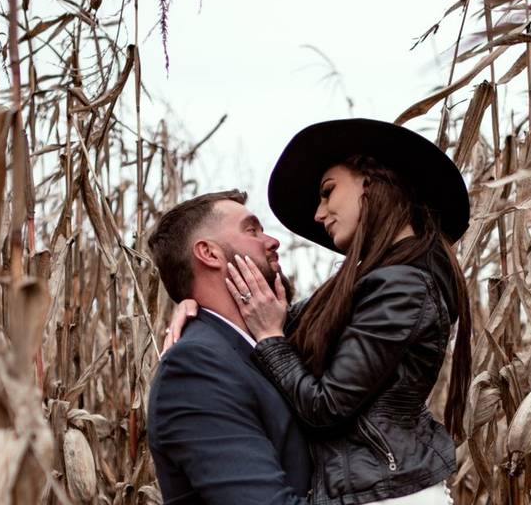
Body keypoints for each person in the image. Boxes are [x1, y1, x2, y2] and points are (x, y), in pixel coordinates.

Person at [167, 118, 472, 505]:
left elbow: (326, 405)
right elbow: (284, 317)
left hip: (388, 496)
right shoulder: (376, 285)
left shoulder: (403, 286)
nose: (318, 213)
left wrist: (271, 340)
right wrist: (195, 304)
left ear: (373, 182)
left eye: (328, 192)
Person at [146, 190, 312, 504]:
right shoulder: (196, 369)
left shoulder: (272, 344)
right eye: (252, 230)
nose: (271, 241)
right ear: (209, 253)